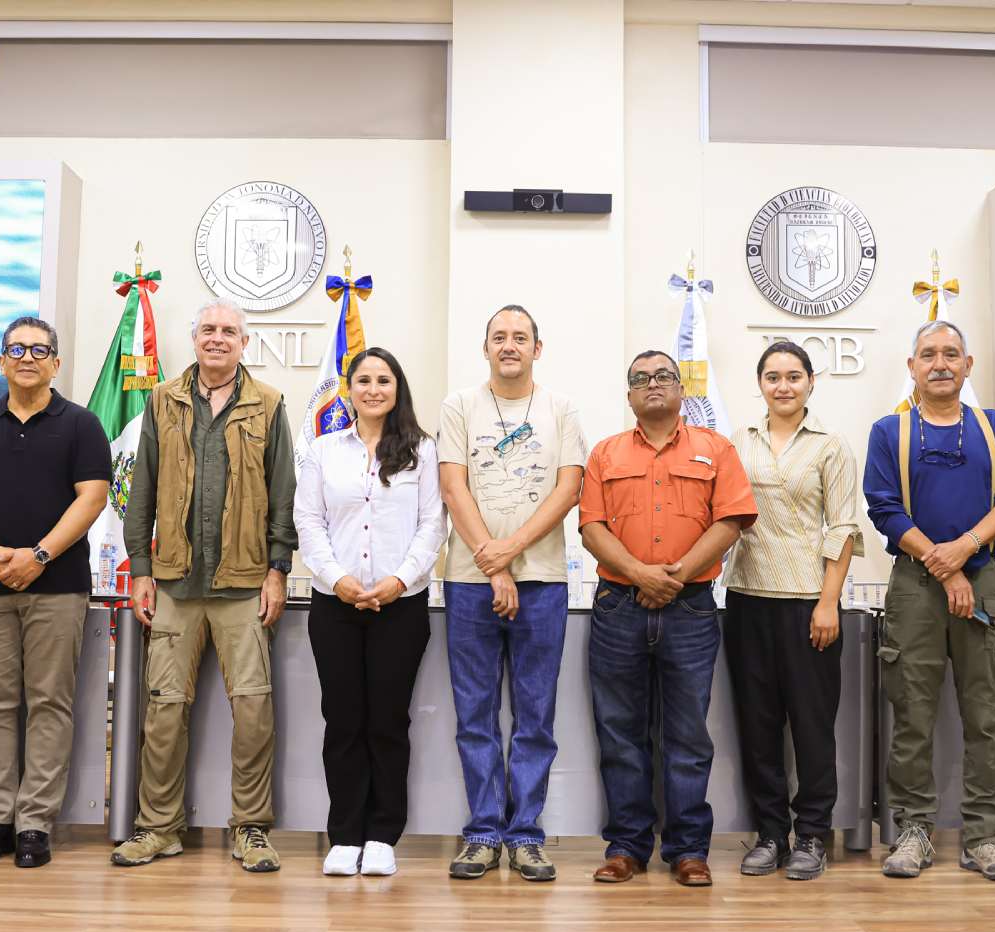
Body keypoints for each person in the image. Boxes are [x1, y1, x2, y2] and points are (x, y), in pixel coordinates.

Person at [115, 299, 298, 873]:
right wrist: (140, 568)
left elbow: (283, 491)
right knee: (164, 709)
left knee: (253, 708)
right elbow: (140, 486)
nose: (217, 339)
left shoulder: (268, 404)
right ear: (193, 339)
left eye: (229, 332)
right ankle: (158, 828)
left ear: (245, 343)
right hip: (172, 580)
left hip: (244, 584)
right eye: (208, 330)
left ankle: (250, 828)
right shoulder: (161, 400)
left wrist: (277, 569)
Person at [0, 317, 107, 869]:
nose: (27, 357)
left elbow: (92, 498)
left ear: (56, 362)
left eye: (40, 349)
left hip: (57, 587)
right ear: (2, 361)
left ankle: (34, 823)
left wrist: (37, 557)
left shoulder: (81, 424)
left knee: (51, 703)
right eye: (17, 349)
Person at [580, 349, 756, 889]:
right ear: (629, 395)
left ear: (681, 390)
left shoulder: (715, 449)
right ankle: (627, 847)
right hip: (617, 607)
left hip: (690, 607)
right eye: (640, 379)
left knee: (687, 735)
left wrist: (672, 577)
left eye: (663, 377)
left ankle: (687, 850)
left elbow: (731, 521)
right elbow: (591, 527)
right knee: (620, 733)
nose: (652, 384)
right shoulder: (605, 454)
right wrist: (640, 574)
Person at [863, 320, 995, 884]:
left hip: (983, 577)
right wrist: (941, 562)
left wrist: (963, 551)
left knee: (987, 713)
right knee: (912, 712)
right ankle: (913, 830)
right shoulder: (891, 432)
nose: (940, 363)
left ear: (967, 365)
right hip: (914, 583)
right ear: (912, 366)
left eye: (951, 354)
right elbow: (884, 508)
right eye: (928, 354)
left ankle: (983, 835)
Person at [436, 304, 585, 882]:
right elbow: (453, 485)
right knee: (474, 714)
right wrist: (492, 566)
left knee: (534, 716)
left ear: (537, 348)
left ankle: (525, 835)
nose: (509, 346)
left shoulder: (561, 408)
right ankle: (481, 833)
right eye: (499, 337)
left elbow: (569, 488)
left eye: (520, 337)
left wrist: (511, 551)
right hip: (471, 585)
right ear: (486, 348)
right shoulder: (460, 406)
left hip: (542, 582)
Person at [293, 347, 447, 877]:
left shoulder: (423, 451)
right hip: (334, 606)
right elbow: (308, 523)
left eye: (384, 380)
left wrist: (397, 579)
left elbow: (433, 525)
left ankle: (383, 834)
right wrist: (340, 580)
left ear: (397, 388)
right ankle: (345, 834)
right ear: (348, 388)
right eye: (363, 380)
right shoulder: (322, 450)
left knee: (387, 721)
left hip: (399, 606)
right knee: (342, 721)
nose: (373, 389)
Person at [723, 341, 862, 881]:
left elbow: (843, 527)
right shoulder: (739, 443)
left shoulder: (831, 446)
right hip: (747, 600)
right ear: (760, 383)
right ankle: (770, 834)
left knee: (811, 727)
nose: (783, 385)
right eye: (773, 376)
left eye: (794, 376)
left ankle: (811, 835)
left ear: (810, 383)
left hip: (810, 603)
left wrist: (829, 601)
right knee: (757, 728)